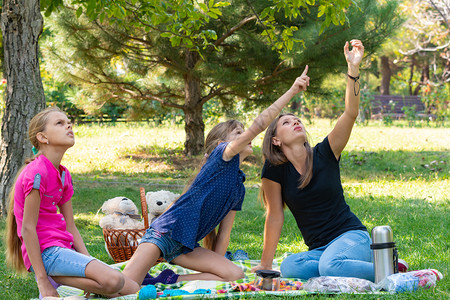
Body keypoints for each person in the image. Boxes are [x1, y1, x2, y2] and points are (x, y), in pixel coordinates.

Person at [122, 66, 310, 291]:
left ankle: (166, 279)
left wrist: (216, 265)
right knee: (124, 286)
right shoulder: (221, 155)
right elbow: (259, 125)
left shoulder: (238, 187)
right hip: (164, 233)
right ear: (224, 143)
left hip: (184, 247)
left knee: (233, 273)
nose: (245, 135)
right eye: (238, 133)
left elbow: (224, 234)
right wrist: (291, 91)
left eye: (243, 131)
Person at [251, 40, 376, 281]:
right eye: (286, 123)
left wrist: (353, 69)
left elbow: (350, 112)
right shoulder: (274, 169)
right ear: (275, 140)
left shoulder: (326, 153)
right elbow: (275, 215)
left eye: (296, 120)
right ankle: (352, 267)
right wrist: (265, 264)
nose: (295, 122)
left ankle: (390, 267)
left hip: (351, 237)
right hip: (320, 250)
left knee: (330, 267)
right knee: (290, 267)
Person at [5, 107, 139, 298]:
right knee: (114, 281)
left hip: (64, 249)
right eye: (59, 123)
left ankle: (72, 285)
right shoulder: (36, 173)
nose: (69, 125)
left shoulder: (63, 174)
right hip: (47, 252)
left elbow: (70, 226)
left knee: (132, 288)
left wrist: (88, 260)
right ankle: (53, 281)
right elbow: (27, 228)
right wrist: (42, 281)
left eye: (68, 121)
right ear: (42, 137)